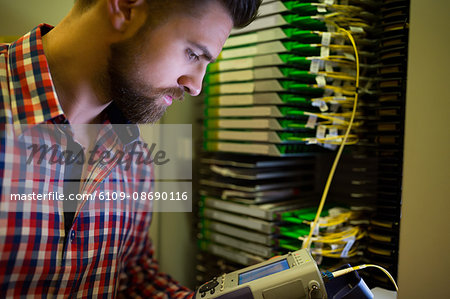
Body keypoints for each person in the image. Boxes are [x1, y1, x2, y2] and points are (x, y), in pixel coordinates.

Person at [0, 0, 260, 297]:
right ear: (125, 8)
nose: (196, 86)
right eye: (192, 53)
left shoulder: (133, 153)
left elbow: (131, 274)